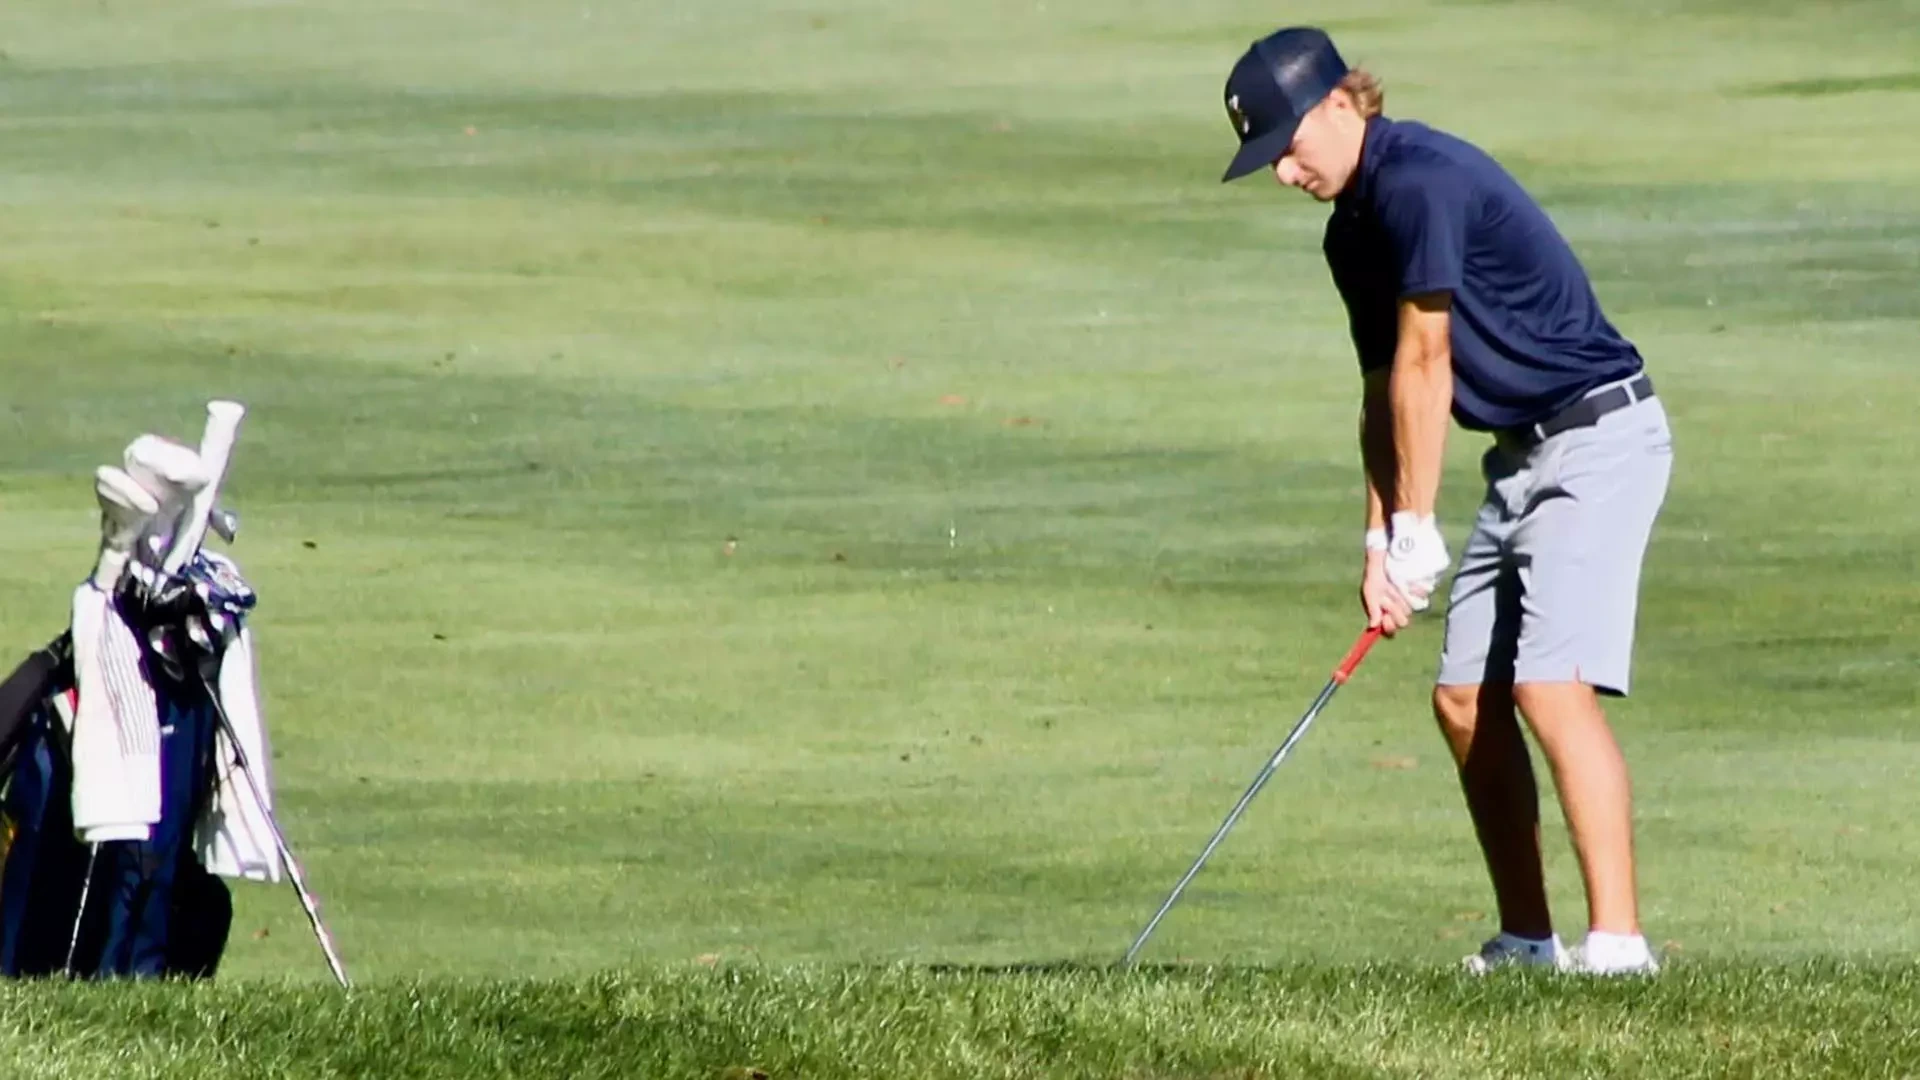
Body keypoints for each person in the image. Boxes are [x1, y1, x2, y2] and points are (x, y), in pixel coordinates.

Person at [1219, 27, 1674, 975]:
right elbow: (1384, 389)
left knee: (1551, 686)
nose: (1283, 175)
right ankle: (1527, 942)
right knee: (1466, 696)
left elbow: (1430, 364)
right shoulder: (1352, 231)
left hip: (1599, 437)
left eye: (1289, 148)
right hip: (1519, 457)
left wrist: (1421, 526)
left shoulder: (1421, 181)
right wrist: (1381, 538)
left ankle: (1622, 949)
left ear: (1341, 105)